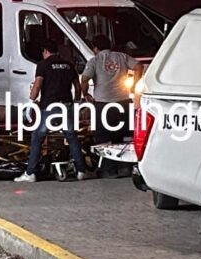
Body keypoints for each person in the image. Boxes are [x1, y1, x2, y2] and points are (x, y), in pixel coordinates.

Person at [16, 39, 89, 183]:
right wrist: (75, 102)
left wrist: (30, 102)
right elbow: (77, 86)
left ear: (45, 51)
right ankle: (81, 171)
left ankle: (30, 173)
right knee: (71, 136)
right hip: (66, 105)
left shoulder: (43, 65)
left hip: (50, 107)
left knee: (37, 136)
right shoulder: (68, 65)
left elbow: (37, 85)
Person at [81, 34, 143, 146]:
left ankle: (106, 157)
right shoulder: (122, 56)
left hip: (103, 105)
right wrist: (134, 85)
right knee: (125, 138)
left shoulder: (94, 61)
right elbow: (139, 66)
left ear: (95, 48)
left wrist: (85, 93)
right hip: (124, 102)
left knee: (103, 139)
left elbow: (85, 79)